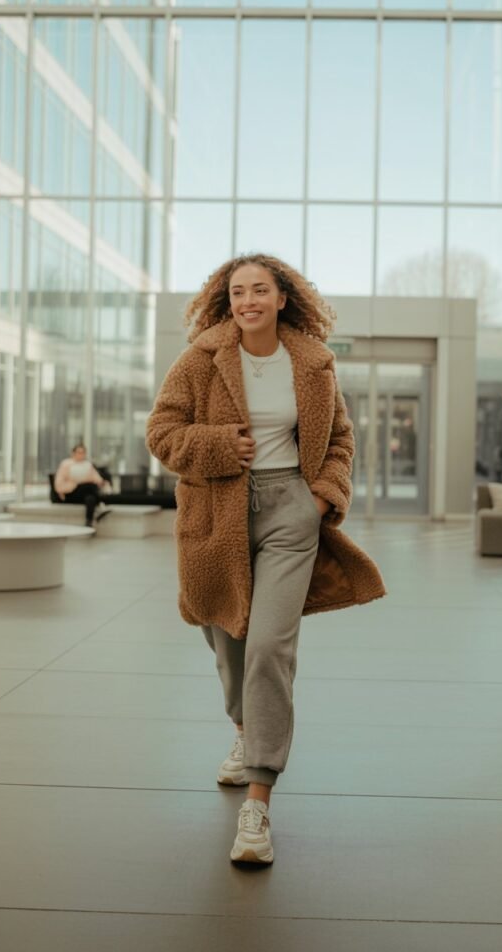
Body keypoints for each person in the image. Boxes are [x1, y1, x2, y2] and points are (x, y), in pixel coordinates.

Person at [145, 252, 386, 867]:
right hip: (216, 513)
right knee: (227, 638)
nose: (248, 300)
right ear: (227, 302)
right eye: (237, 292)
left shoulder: (312, 362)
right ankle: (245, 727)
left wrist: (321, 496)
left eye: (260, 290)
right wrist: (222, 444)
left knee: (270, 647)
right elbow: (162, 432)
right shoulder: (200, 358)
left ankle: (258, 800)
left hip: (290, 513)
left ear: (283, 298)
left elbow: (339, 437)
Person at [53, 444, 112, 527]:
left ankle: (89, 522)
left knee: (90, 498)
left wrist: (102, 482)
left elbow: (97, 479)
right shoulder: (66, 464)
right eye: (79, 452)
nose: (81, 455)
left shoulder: (87, 465)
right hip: (70, 493)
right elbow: (58, 485)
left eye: (83, 452)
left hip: (85, 493)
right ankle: (101, 504)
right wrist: (76, 483)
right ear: (73, 453)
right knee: (89, 486)